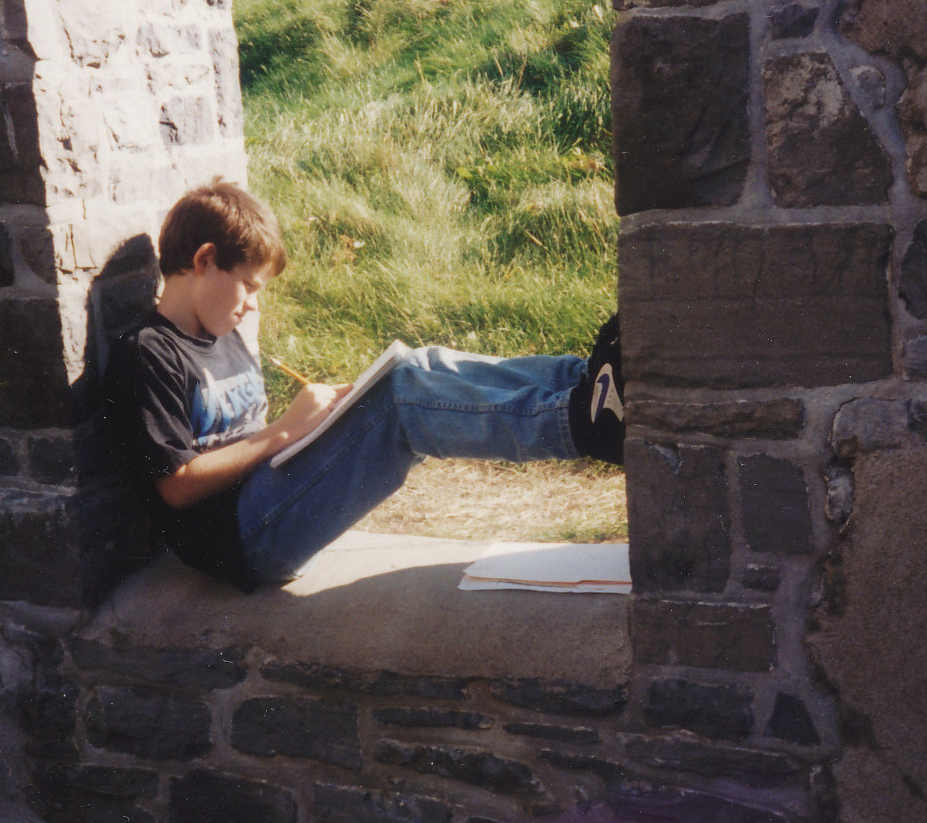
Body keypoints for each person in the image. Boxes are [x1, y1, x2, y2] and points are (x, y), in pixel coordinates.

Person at [104, 178, 624, 591]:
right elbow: (176, 485)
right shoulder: (149, 352)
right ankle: (583, 424)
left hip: (268, 500)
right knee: (400, 404)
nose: (252, 305)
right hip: (243, 539)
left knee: (416, 366)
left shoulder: (224, 334)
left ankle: (585, 382)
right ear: (203, 261)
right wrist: (286, 432)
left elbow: (253, 440)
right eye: (248, 285)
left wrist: (328, 419)